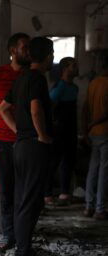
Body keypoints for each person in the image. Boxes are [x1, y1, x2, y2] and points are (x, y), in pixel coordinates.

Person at [0, 37, 54, 256]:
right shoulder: (37, 78)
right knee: (30, 202)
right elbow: (35, 108)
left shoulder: (21, 78)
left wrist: (20, 131)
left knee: (23, 199)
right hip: (32, 147)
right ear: (47, 55)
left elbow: (3, 109)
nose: (53, 58)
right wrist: (41, 134)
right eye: (52, 53)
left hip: (20, 146)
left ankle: (23, 251)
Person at [0, 33, 30, 251]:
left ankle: (23, 237)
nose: (27, 52)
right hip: (2, 142)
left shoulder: (31, 76)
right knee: (6, 191)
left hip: (26, 142)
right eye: (24, 47)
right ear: (12, 51)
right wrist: (1, 127)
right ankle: (9, 235)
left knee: (25, 192)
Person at [44, 57, 79, 205]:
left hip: (71, 129)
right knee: (53, 162)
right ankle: (47, 194)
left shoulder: (74, 88)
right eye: (73, 66)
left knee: (68, 161)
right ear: (64, 69)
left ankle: (64, 193)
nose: (76, 69)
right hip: (59, 130)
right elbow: (49, 105)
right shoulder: (59, 87)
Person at [83, 56, 108, 220]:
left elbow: (85, 109)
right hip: (106, 131)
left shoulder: (92, 84)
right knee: (104, 171)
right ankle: (100, 209)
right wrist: (95, 122)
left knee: (93, 169)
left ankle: (88, 206)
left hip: (94, 133)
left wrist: (87, 128)